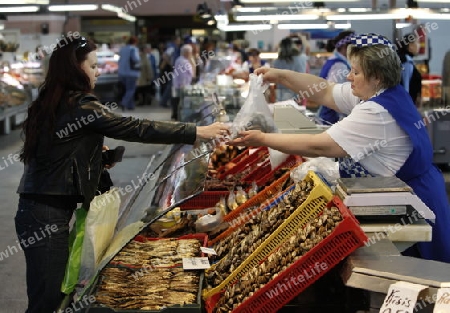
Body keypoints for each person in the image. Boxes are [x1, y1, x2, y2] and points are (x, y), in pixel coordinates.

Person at [15, 36, 229, 313]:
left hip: (42, 208)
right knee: (47, 297)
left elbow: (55, 152)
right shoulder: (79, 104)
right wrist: (196, 132)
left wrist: (95, 158)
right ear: (74, 69)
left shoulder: (56, 99)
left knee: (51, 290)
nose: (97, 71)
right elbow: (135, 127)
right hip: (43, 213)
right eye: (92, 66)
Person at [229, 33, 450, 264]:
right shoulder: (380, 93)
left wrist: (264, 139)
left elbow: (319, 145)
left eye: (356, 72)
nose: (349, 76)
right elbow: (324, 90)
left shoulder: (377, 112)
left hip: (411, 203)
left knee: (418, 271)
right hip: (406, 191)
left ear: (375, 76)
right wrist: (280, 75)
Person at [317, 30, 355, 125]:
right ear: (344, 47)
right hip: (333, 116)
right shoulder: (339, 65)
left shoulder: (333, 60)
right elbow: (333, 93)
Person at [397, 33, 422, 107]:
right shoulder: (406, 61)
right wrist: (407, 105)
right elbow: (406, 84)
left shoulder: (402, 58)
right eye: (417, 42)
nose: (419, 45)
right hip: (406, 103)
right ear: (410, 46)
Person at [171, 44, 194, 121]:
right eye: (190, 52)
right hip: (181, 85)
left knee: (178, 101)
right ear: (186, 52)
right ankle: (178, 117)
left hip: (181, 85)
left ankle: (176, 116)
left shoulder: (182, 59)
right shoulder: (182, 61)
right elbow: (182, 75)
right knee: (179, 102)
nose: (191, 54)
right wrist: (183, 85)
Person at [118, 36, 140, 110]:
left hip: (122, 73)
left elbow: (119, 60)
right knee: (131, 89)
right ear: (135, 42)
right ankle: (124, 103)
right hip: (131, 73)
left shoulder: (123, 49)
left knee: (128, 89)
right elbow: (136, 59)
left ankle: (130, 106)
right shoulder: (133, 49)